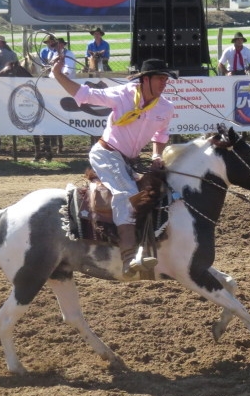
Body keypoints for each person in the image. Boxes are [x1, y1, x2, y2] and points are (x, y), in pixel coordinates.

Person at [50, 52, 175, 279]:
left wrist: (157, 155)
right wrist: (57, 74)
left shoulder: (165, 107)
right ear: (145, 79)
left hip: (128, 160)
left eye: (166, 79)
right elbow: (85, 95)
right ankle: (129, 257)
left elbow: (161, 132)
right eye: (160, 78)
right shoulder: (122, 95)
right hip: (106, 153)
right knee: (125, 194)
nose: (164, 83)